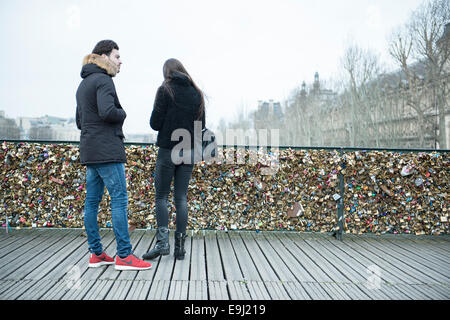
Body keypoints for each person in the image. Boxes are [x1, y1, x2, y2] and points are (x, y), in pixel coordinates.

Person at [76, 40, 151, 271]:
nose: (120, 61)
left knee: (92, 203)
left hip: (90, 150)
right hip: (108, 150)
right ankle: (125, 256)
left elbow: (80, 122)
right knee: (119, 201)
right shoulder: (104, 80)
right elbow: (108, 111)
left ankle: (96, 253)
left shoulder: (84, 84)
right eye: (117, 56)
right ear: (103, 56)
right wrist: (123, 112)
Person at [143, 58, 205, 260]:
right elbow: (200, 127)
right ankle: (180, 248)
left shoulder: (165, 90)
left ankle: (162, 244)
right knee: (181, 198)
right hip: (188, 151)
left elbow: (154, 123)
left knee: (161, 196)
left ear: (167, 73)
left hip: (168, 150)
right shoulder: (197, 93)